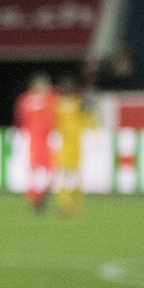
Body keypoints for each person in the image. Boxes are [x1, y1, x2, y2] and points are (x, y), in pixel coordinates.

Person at [14, 72, 58, 213]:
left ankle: (41, 197)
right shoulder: (25, 100)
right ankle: (34, 200)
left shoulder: (51, 99)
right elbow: (20, 121)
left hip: (48, 140)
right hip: (31, 141)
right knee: (33, 173)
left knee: (50, 172)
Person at [54, 76, 96, 217]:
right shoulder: (77, 104)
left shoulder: (62, 105)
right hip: (70, 147)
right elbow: (90, 123)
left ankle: (70, 206)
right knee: (71, 177)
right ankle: (69, 206)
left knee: (68, 177)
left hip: (70, 147)